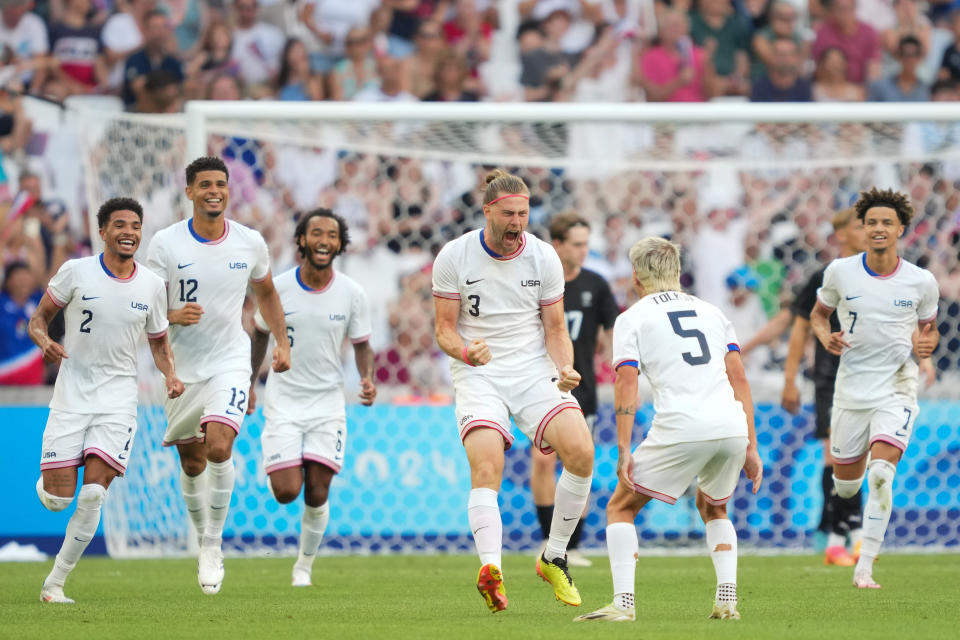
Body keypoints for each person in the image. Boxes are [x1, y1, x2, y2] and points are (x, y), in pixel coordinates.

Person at [575, 237, 763, 623]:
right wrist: (751, 446)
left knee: (620, 506)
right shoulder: (711, 312)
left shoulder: (632, 317)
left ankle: (623, 604)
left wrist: (624, 446)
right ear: (676, 273)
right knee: (713, 505)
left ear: (636, 278)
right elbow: (739, 376)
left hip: (682, 424)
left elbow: (626, 381)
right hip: (730, 424)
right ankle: (727, 599)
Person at [432, 169, 595, 613]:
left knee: (581, 451)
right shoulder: (455, 255)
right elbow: (444, 330)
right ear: (488, 211)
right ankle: (492, 571)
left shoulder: (543, 257)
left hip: (531, 369)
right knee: (488, 465)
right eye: (508, 214)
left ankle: (554, 554)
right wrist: (466, 351)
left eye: (523, 213)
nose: (517, 222)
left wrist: (566, 367)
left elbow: (556, 329)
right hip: (478, 372)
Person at [145, 156, 291, 595]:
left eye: (221, 183)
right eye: (205, 183)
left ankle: (213, 543)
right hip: (180, 369)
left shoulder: (249, 243)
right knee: (190, 462)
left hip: (230, 358)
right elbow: (143, 303)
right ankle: (200, 533)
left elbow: (266, 295)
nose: (214, 190)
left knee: (220, 444)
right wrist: (171, 313)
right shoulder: (165, 244)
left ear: (229, 190)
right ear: (189, 191)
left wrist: (282, 343)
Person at [29, 197, 184, 604]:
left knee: (95, 493)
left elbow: (160, 341)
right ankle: (51, 482)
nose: (129, 232)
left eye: (135, 225)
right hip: (71, 395)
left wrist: (170, 375)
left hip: (118, 401)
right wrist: (45, 341)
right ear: (103, 231)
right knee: (58, 500)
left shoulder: (151, 285)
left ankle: (55, 583)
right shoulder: (76, 272)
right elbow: (39, 318)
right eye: (120, 225)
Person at [811, 187, 939, 589]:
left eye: (887, 222)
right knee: (845, 485)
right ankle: (846, 514)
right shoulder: (840, 272)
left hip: (897, 387)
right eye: (872, 223)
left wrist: (927, 352)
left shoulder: (921, 281)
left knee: (882, 473)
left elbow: (928, 333)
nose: (879, 228)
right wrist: (825, 336)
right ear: (862, 229)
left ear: (901, 228)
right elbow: (819, 315)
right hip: (851, 391)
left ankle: (863, 566)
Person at [247, 208, 375, 587]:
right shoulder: (277, 288)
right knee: (288, 492)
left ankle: (303, 566)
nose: (323, 240)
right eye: (316, 233)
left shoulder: (352, 293)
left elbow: (363, 344)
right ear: (301, 240)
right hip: (284, 400)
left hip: (327, 404)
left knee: (318, 490)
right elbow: (258, 335)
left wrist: (367, 378)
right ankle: (285, 459)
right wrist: (250, 384)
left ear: (339, 244)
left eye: (331, 235)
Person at [530, 213, 618, 568]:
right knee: (541, 460)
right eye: (577, 244)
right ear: (558, 245)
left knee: (577, 464)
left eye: (586, 244)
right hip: (537, 386)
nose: (584, 251)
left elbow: (612, 333)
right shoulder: (535, 283)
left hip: (581, 389)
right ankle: (547, 541)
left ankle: (569, 546)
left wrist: (621, 369)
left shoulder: (596, 285)